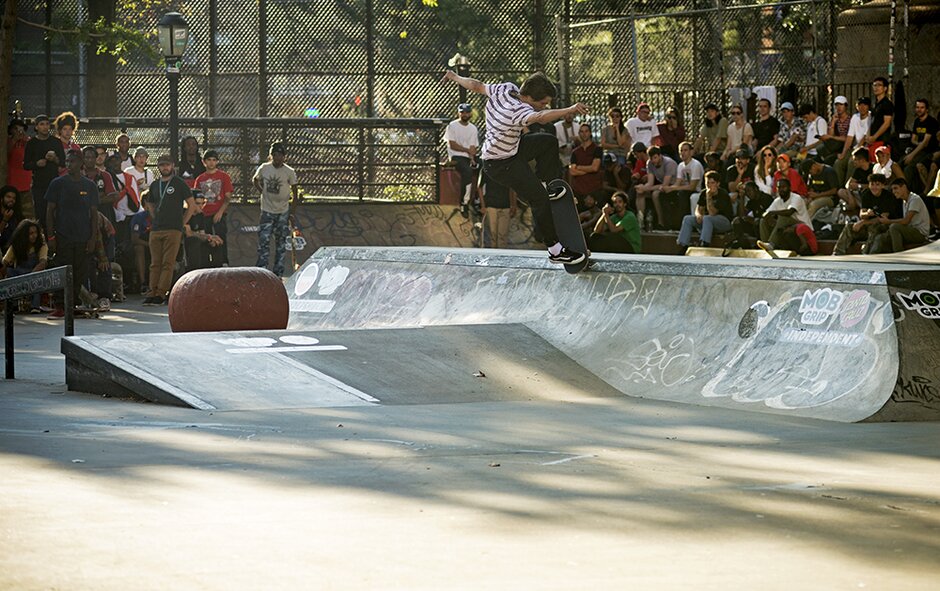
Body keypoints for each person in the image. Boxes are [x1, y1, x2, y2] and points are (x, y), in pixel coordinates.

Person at [442, 69, 590, 264]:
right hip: (501, 164)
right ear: (529, 97)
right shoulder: (520, 111)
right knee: (539, 200)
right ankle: (555, 250)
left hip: (513, 149)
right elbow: (542, 118)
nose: (543, 107)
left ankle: (546, 183)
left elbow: (476, 85)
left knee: (548, 141)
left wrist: (455, 77)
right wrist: (570, 109)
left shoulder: (506, 88)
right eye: (543, 103)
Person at [45, 149, 99, 319]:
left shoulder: (89, 185)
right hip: (63, 236)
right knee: (64, 271)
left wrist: (93, 238)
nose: (69, 164)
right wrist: (51, 237)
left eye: (73, 161)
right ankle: (61, 306)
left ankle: (73, 304)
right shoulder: (57, 183)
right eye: (67, 161)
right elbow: (49, 211)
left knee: (79, 273)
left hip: (83, 238)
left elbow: (94, 214)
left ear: (81, 163)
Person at [143, 154, 194, 305]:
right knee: (155, 263)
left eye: (167, 165)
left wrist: (182, 222)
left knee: (168, 263)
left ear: (172, 166)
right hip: (156, 228)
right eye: (162, 165)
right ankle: (152, 291)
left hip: (173, 228)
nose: (165, 168)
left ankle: (161, 293)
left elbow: (191, 204)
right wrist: (154, 217)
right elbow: (150, 202)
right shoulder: (155, 184)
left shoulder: (179, 183)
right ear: (158, 167)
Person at [252, 142, 299, 276]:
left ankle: (278, 272)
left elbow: (295, 193)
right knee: (264, 242)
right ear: (271, 156)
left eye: (280, 156)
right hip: (267, 210)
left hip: (282, 211)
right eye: (274, 155)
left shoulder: (289, 172)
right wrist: (262, 191)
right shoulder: (264, 168)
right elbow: (255, 180)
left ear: (284, 157)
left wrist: (292, 212)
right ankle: (262, 270)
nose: (277, 158)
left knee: (281, 244)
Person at [832, 174, 900, 255]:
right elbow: (862, 214)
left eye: (877, 184)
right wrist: (867, 214)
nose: (874, 187)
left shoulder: (888, 197)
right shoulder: (866, 194)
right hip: (867, 223)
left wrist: (862, 222)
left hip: (884, 226)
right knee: (849, 227)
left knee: (874, 228)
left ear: (882, 185)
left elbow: (882, 219)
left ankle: (866, 253)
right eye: (872, 184)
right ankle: (837, 253)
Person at [22, 115, 65, 232]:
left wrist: (55, 159)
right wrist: (37, 164)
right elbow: (25, 165)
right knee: (40, 213)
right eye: (42, 124)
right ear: (36, 127)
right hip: (39, 184)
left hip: (54, 183)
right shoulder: (31, 143)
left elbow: (63, 162)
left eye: (47, 124)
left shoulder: (56, 142)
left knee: (56, 212)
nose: (45, 127)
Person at [869, 178, 930, 254]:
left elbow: (906, 221)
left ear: (904, 187)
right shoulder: (904, 201)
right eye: (892, 189)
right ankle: (869, 257)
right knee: (880, 237)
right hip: (908, 230)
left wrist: (888, 221)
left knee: (894, 227)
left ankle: (898, 254)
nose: (894, 191)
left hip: (920, 233)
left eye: (895, 188)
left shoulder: (915, 199)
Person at [194, 149, 234, 266]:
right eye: (209, 160)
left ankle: (223, 262)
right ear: (204, 162)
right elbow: (197, 198)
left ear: (217, 162)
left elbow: (227, 197)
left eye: (214, 160)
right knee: (206, 239)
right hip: (204, 213)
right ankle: (206, 263)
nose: (211, 163)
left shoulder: (223, 176)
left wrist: (220, 212)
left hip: (219, 212)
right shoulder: (200, 179)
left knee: (220, 236)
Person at [677, 171, 733, 252]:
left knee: (707, 218)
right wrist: (698, 215)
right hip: (708, 223)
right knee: (688, 219)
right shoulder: (704, 192)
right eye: (708, 183)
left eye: (712, 183)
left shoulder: (722, 194)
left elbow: (712, 213)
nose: (709, 186)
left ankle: (704, 243)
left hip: (724, 222)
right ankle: (683, 245)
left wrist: (709, 197)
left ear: (718, 184)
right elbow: (698, 208)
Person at [0, 220, 48, 313]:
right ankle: (12, 305)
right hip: (19, 273)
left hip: (33, 272)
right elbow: (4, 262)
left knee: (38, 276)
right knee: (10, 272)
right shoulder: (17, 245)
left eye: (35, 232)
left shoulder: (41, 244)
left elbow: (43, 262)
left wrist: (31, 275)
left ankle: (35, 306)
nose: (34, 235)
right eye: (31, 233)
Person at [757, 177, 813, 255]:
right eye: (779, 187)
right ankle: (766, 244)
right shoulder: (777, 200)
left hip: (802, 227)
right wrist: (768, 217)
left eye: (784, 187)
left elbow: (789, 212)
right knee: (763, 220)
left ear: (789, 188)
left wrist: (772, 213)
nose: (781, 190)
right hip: (788, 226)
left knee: (783, 218)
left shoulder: (796, 198)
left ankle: (771, 244)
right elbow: (766, 213)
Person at [444, 103, 480, 213]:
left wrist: (473, 158)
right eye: (462, 112)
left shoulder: (473, 128)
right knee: (467, 170)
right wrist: (467, 150)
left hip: (468, 157)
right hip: (456, 156)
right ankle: (464, 202)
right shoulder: (452, 125)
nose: (464, 114)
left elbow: (473, 147)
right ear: (458, 113)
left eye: (467, 112)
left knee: (485, 167)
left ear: (470, 114)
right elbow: (452, 144)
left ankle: (478, 199)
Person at [903, 99, 939, 195]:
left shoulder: (931, 122)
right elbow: (913, 139)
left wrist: (912, 155)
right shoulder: (917, 121)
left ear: (927, 109)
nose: (919, 110)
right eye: (917, 107)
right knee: (900, 162)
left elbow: (926, 142)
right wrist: (919, 144)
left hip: (929, 151)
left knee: (910, 168)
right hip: (919, 149)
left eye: (922, 107)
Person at [637, 145, 677, 231]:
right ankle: (640, 221)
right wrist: (643, 188)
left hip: (673, 185)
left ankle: (661, 222)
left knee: (655, 194)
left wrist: (646, 188)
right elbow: (650, 183)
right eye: (651, 158)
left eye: (655, 158)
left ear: (660, 155)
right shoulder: (650, 163)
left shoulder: (669, 163)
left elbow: (665, 185)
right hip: (661, 184)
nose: (653, 161)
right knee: (640, 193)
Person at [661, 141, 704, 219]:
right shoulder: (680, 165)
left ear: (691, 152)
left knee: (681, 194)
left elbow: (692, 187)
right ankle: (668, 223)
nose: (683, 153)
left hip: (696, 191)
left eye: (685, 150)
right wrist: (668, 188)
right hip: (684, 189)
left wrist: (673, 188)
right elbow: (677, 183)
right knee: (664, 194)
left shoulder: (696, 165)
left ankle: (682, 221)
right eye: (681, 151)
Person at [183, 190, 225, 271]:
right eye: (197, 203)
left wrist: (211, 238)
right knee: (195, 241)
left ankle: (216, 270)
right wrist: (207, 237)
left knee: (216, 241)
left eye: (203, 203)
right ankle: (194, 270)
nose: (201, 206)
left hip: (197, 238)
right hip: (185, 241)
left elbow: (202, 233)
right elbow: (188, 233)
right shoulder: (184, 213)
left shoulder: (200, 215)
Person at [835, 97, 872, 186]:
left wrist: (855, 153)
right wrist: (843, 153)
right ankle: (838, 189)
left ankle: (848, 188)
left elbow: (865, 137)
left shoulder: (871, 117)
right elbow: (850, 137)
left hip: (865, 148)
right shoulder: (855, 117)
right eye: (859, 105)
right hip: (854, 148)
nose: (862, 107)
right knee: (838, 163)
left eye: (865, 105)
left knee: (852, 162)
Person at [730, 181, 774, 249]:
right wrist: (742, 197)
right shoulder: (752, 201)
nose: (748, 194)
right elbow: (742, 215)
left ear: (756, 189)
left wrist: (754, 220)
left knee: (759, 222)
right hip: (755, 226)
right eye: (746, 192)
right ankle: (742, 243)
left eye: (749, 191)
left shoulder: (766, 198)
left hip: (766, 225)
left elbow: (769, 217)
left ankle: (760, 244)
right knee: (737, 221)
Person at [568, 123, 604, 203]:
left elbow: (595, 168)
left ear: (590, 132)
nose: (584, 134)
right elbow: (572, 171)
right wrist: (588, 169)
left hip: (594, 189)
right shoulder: (575, 152)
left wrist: (579, 167)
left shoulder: (597, 149)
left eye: (586, 131)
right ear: (579, 134)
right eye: (581, 132)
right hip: (579, 190)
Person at [479, 175, 516, 249]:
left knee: (503, 236)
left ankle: (501, 258)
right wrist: (483, 206)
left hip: (506, 206)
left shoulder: (508, 168)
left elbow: (513, 188)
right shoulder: (486, 168)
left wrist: (513, 205)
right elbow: (479, 187)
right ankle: (492, 257)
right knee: (492, 235)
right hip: (491, 206)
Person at [837, 148, 873, 214]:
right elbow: (848, 184)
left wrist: (859, 186)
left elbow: (874, 186)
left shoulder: (873, 168)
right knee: (841, 191)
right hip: (858, 194)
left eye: (855, 160)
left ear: (862, 160)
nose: (853, 162)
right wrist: (850, 195)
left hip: (869, 195)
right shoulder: (858, 170)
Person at [7, 119, 32, 211]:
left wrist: (25, 139)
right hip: (12, 182)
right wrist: (14, 140)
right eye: (15, 129)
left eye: (21, 129)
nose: (19, 131)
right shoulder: (8, 141)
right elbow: (6, 153)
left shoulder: (27, 141)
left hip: (26, 183)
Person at [866, 76, 894, 156]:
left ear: (885, 88)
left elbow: (887, 123)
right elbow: (871, 121)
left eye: (879, 85)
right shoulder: (875, 104)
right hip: (872, 141)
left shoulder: (887, 104)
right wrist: (868, 136)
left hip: (881, 140)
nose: (876, 87)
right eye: (874, 85)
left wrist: (874, 137)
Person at [819, 96, 851, 165]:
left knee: (828, 160)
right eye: (837, 105)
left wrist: (832, 137)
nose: (838, 107)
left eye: (841, 105)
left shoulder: (850, 120)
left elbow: (848, 138)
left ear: (845, 106)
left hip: (844, 147)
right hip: (835, 146)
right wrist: (833, 122)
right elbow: (830, 134)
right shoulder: (835, 119)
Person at [0, 185, 23, 253]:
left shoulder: (17, 215)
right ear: (1, 199)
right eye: (8, 197)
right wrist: (5, 220)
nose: (11, 200)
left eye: (14, 198)